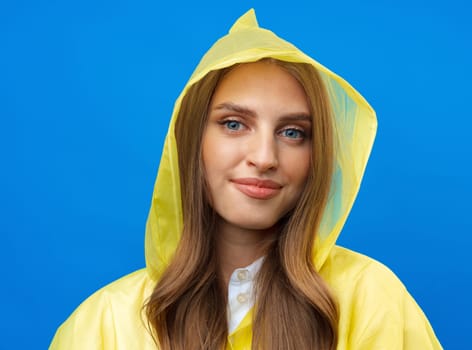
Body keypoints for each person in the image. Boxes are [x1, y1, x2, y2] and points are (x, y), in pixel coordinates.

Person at [50, 9, 442, 350]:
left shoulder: (371, 298)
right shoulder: (102, 324)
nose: (264, 158)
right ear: (191, 143)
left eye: (293, 133)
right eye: (234, 124)